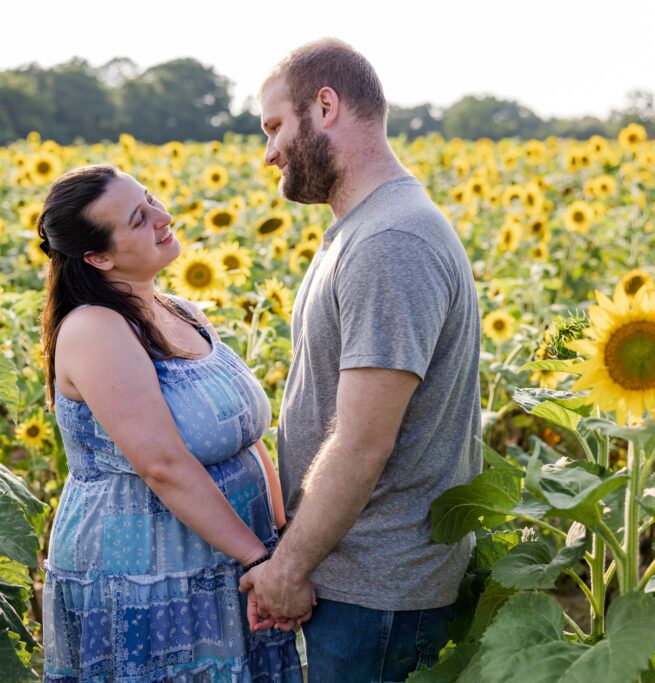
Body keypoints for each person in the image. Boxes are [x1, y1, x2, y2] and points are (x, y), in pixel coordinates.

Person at [238, 39, 482, 682]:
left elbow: (363, 442)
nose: (267, 153)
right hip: (359, 580)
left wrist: (287, 570)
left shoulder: (390, 240)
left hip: (377, 591)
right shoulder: (367, 227)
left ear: (325, 107)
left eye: (274, 128)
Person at [36, 164, 303, 682]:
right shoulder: (96, 328)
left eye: (152, 199)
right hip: (150, 571)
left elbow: (244, 436)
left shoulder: (179, 310)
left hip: (228, 551)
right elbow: (162, 464)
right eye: (139, 218)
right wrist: (257, 560)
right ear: (98, 257)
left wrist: (279, 538)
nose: (164, 216)